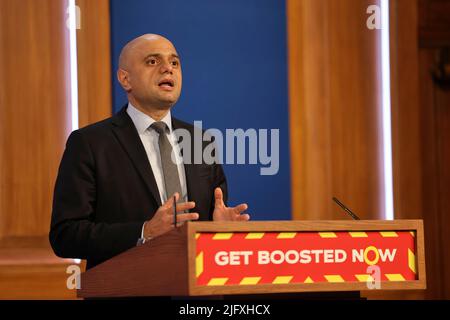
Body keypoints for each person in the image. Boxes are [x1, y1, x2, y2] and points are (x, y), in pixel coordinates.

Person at [49, 34, 250, 269]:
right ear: (125, 79)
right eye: (152, 62)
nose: (167, 69)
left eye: (174, 62)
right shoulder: (90, 143)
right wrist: (144, 231)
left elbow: (210, 219)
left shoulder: (200, 141)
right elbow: (65, 235)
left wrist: (218, 230)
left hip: (196, 293)